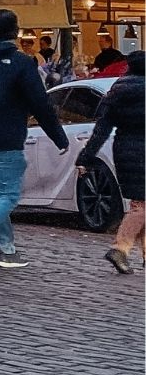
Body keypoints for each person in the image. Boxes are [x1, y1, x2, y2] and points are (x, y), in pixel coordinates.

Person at [0, 7, 70, 275]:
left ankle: (7, 250)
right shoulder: (22, 63)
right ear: (16, 33)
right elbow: (40, 103)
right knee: (8, 194)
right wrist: (58, 137)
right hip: (8, 136)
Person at [81, 52, 145, 274]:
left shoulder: (117, 90)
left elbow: (102, 128)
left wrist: (86, 156)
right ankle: (120, 248)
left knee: (140, 203)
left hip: (123, 149)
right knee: (142, 206)